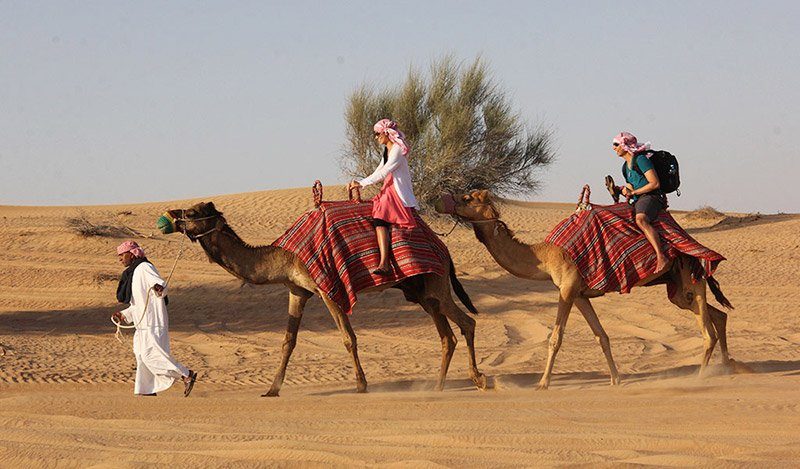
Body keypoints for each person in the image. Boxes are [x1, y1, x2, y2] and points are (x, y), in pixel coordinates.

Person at [111, 240, 198, 396]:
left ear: (131, 254)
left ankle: (186, 374)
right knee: (140, 355)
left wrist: (159, 288)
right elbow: (139, 303)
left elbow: (160, 285)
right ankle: (147, 389)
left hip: (153, 321)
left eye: (122, 255)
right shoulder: (134, 273)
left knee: (150, 355)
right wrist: (124, 315)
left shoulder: (144, 268)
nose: (120, 259)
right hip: (142, 324)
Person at [347, 118, 418, 276]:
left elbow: (386, 171)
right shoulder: (387, 150)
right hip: (387, 188)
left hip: (396, 191)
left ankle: (384, 263)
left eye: (377, 133)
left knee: (380, 219)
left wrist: (362, 183)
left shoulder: (398, 150)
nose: (376, 137)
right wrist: (360, 181)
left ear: (386, 132)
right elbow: (379, 170)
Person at [612, 131, 669, 274]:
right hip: (638, 199)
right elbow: (630, 187)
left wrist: (634, 192)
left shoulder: (641, 160)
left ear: (625, 145)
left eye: (616, 144)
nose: (613, 148)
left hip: (651, 197)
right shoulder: (625, 167)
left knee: (641, 219)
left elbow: (654, 183)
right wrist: (619, 190)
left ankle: (661, 256)